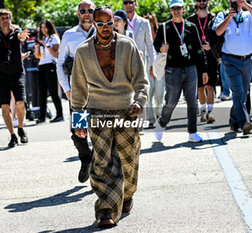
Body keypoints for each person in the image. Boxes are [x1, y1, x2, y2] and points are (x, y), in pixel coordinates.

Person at [71, 5, 149, 228]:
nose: (105, 28)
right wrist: (78, 122)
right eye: (100, 23)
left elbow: (141, 80)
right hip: (97, 111)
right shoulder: (83, 51)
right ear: (93, 24)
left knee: (128, 158)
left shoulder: (127, 44)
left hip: (126, 110)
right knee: (102, 162)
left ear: (114, 22)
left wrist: (139, 102)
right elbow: (78, 89)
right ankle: (106, 209)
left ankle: (127, 195)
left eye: (109, 23)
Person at [154, 0, 208, 142]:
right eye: (173, 9)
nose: (176, 11)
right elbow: (156, 44)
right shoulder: (164, 27)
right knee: (171, 101)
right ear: (170, 10)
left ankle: (192, 132)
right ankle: (161, 123)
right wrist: (161, 48)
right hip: (173, 70)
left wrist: (204, 70)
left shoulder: (191, 27)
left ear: (184, 9)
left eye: (178, 8)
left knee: (192, 102)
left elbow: (199, 50)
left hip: (190, 68)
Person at [57, 0, 96, 183]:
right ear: (78, 14)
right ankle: (86, 158)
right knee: (78, 132)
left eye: (90, 10)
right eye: (83, 10)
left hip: (100, 93)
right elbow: (59, 63)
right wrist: (66, 89)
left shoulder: (104, 31)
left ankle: (99, 163)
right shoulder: (69, 35)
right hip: (78, 94)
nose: (87, 13)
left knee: (101, 129)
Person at [213, 0, 252, 134]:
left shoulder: (247, 14)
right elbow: (218, 32)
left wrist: (246, 5)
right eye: (234, 1)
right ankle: (245, 122)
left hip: (247, 60)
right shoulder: (223, 15)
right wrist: (229, 17)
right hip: (230, 60)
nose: (237, 2)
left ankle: (233, 122)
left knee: (242, 94)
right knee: (239, 92)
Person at [0, 8, 29, 147]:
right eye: (2, 18)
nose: (5, 20)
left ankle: (21, 129)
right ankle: (12, 136)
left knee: (20, 103)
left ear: (10, 19)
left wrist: (22, 36)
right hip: (2, 75)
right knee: (5, 107)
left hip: (17, 74)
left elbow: (21, 38)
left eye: (7, 17)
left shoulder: (16, 33)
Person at [123, 0, 157, 128]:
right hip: (124, 63)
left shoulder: (144, 22)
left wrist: (152, 65)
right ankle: (129, 121)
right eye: (125, 2)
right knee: (127, 93)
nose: (128, 5)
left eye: (131, 2)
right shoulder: (120, 21)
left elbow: (149, 44)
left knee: (141, 91)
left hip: (141, 63)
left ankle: (141, 123)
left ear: (135, 4)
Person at [188, 0, 218, 123]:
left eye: (204, 0)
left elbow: (219, 36)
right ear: (196, 2)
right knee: (200, 86)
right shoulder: (190, 20)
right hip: (197, 57)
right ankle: (203, 110)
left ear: (208, 2)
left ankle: (210, 112)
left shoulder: (215, 18)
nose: (201, 2)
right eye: (199, 0)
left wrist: (212, 46)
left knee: (210, 85)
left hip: (211, 55)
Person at [34, 19, 63, 123]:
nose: (43, 29)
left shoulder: (53, 38)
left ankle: (59, 115)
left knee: (53, 92)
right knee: (41, 92)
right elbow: (38, 56)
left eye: (45, 27)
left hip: (51, 65)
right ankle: (42, 116)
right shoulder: (42, 39)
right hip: (42, 65)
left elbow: (56, 54)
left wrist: (47, 46)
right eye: (41, 27)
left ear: (49, 27)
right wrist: (37, 48)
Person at [144, 13, 165, 129]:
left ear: (154, 22)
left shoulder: (160, 34)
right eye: (147, 20)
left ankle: (158, 113)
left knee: (159, 92)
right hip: (146, 63)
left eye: (151, 21)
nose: (149, 23)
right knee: (148, 91)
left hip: (159, 64)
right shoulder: (143, 34)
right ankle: (150, 119)